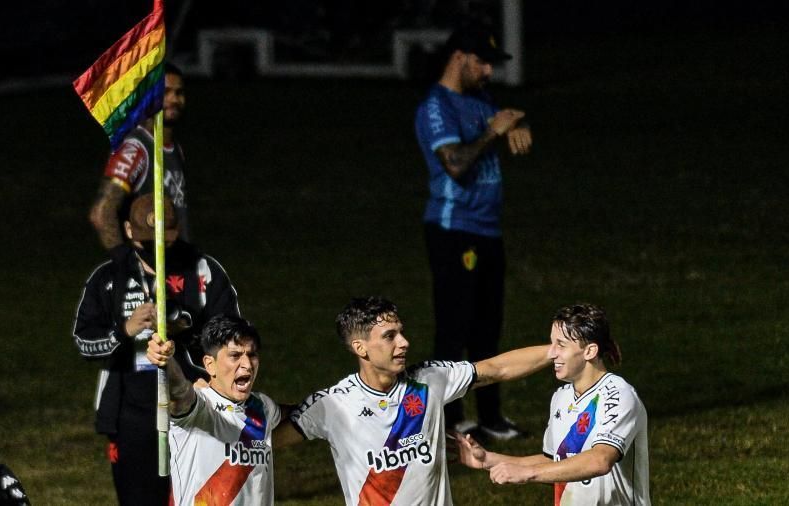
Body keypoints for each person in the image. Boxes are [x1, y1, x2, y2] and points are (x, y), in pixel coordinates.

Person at [273, 296, 551, 505]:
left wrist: (557, 350)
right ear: (361, 348)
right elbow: (267, 442)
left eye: (401, 332)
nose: (404, 342)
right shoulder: (333, 405)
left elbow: (496, 369)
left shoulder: (430, 379)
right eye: (389, 336)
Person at [73, 194, 240, 505]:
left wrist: (187, 329)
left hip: (196, 408)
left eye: (165, 239)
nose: (157, 249)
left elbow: (234, 341)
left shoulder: (203, 271)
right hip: (130, 418)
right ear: (128, 229)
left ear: (176, 230)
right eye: (147, 241)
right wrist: (125, 330)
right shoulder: (109, 278)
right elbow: (85, 343)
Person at [414, 22, 533, 440]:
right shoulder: (435, 106)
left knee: (488, 326)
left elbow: (500, 123)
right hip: (453, 230)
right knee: (454, 327)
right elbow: (456, 164)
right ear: (459, 58)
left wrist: (513, 128)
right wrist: (491, 133)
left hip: (486, 229)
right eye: (482, 63)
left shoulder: (480, 98)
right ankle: (447, 420)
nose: (488, 73)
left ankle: (491, 417)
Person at [454, 304, 651, 506]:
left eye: (561, 345)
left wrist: (528, 474)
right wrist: (489, 459)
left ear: (590, 351)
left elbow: (600, 460)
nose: (551, 353)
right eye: (551, 344)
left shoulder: (618, 395)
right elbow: (556, 463)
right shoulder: (561, 397)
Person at [146, 314, 281, 505]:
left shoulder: (264, 408)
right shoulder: (200, 407)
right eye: (235, 356)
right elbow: (180, 392)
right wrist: (167, 362)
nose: (247, 365)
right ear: (210, 364)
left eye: (252, 355)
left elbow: (298, 419)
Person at [89, 62, 190, 250]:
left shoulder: (175, 148)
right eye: (165, 93)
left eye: (179, 93)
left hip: (177, 268)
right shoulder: (136, 148)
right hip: (151, 270)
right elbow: (102, 212)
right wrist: (125, 262)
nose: (174, 99)